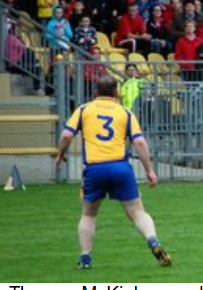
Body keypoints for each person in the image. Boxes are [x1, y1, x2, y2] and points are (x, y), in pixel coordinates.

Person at [55, 75, 171, 269]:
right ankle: (153, 241)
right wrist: (150, 170)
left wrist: (60, 154)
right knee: (137, 212)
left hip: (94, 168)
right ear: (116, 92)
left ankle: (85, 259)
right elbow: (139, 142)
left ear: (96, 92)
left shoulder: (83, 110)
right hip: (120, 167)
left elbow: (67, 135)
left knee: (89, 214)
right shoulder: (125, 113)